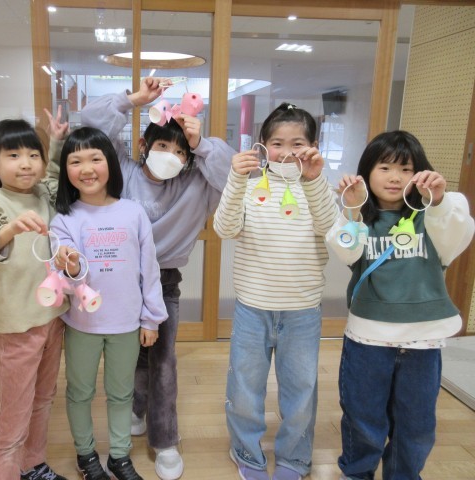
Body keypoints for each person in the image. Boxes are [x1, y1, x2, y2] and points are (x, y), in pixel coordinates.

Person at [81, 76, 236, 480]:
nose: (170, 155)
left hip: (164, 281)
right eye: (163, 146)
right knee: (127, 356)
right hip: (117, 277)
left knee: (163, 360)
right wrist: (133, 99)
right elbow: (90, 127)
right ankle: (136, 408)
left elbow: (234, 174)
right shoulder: (122, 172)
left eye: (180, 150)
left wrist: (201, 144)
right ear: (144, 145)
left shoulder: (196, 184)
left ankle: (164, 440)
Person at [324, 130, 474, 480]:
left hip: (422, 342)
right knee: (362, 418)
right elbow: (346, 250)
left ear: (419, 173)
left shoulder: (434, 217)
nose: (395, 177)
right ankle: (357, 474)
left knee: (416, 425)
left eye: (406, 169)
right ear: (367, 172)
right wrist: (352, 209)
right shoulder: (359, 218)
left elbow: (457, 236)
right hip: (368, 338)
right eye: (385, 167)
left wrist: (438, 201)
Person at [213, 102, 339, 480]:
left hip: (302, 309)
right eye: (277, 143)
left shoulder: (318, 188)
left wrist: (314, 181)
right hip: (252, 308)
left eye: (297, 143)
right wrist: (236, 179)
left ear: (313, 146)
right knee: (245, 388)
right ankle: (247, 454)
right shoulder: (250, 188)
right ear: (263, 147)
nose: (286, 152)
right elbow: (224, 228)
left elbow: (331, 229)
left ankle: (294, 458)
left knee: (301, 391)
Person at [50, 126, 168, 480]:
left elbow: (149, 269)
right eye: (76, 161)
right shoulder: (64, 219)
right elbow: (67, 281)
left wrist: (151, 319)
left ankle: (119, 456)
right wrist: (71, 267)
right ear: (66, 170)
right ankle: (86, 455)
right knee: (80, 392)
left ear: (110, 164)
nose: (87, 169)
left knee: (121, 393)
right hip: (82, 324)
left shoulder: (133, 213)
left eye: (95, 159)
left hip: (127, 323)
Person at [0, 115, 71, 480]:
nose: (25, 164)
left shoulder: (43, 194)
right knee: (15, 411)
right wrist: (8, 230)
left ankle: (33, 465)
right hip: (14, 325)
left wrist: (55, 141)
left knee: (44, 399)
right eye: (13, 155)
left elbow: (54, 173)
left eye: (32, 155)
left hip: (51, 318)